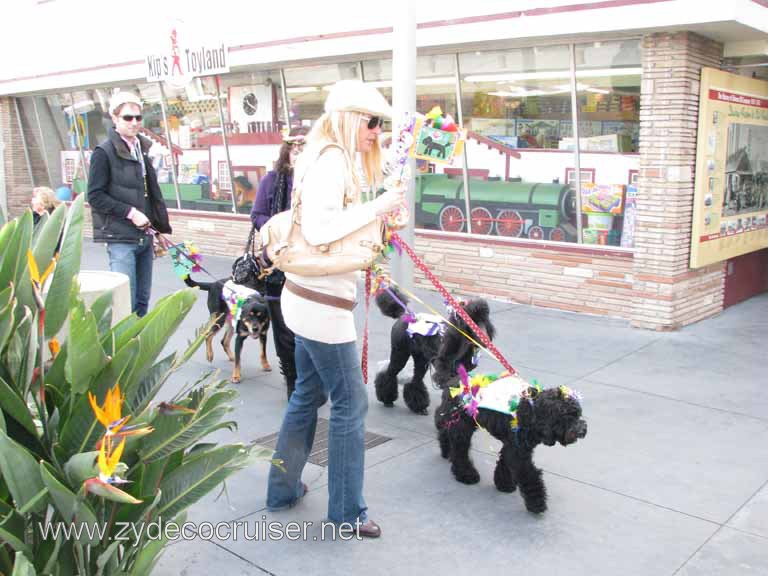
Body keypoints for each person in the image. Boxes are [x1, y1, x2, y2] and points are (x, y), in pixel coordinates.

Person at [266, 80, 406, 538]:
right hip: (323, 304)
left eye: (380, 123)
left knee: (308, 393)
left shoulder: (324, 155)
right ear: (348, 118)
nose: (376, 131)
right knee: (350, 403)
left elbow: (331, 227)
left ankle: (282, 489)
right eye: (371, 122)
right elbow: (325, 230)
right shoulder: (330, 160)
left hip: (304, 296)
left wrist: (378, 212)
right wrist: (379, 207)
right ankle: (347, 513)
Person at [87, 91, 171, 317]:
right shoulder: (103, 152)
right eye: (127, 117)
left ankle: (140, 349)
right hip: (121, 237)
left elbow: (150, 194)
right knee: (125, 303)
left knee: (142, 302)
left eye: (138, 117)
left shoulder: (141, 149)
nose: (134, 122)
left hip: (144, 236)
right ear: (114, 119)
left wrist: (159, 229)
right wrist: (131, 213)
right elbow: (94, 196)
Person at [250, 129, 307, 399]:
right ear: (285, 151)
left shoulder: (317, 183)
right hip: (277, 263)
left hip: (307, 264)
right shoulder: (271, 181)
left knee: (307, 326)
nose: (298, 153)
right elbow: (258, 215)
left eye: (304, 148)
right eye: (294, 148)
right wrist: (277, 230)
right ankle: (292, 380)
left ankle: (309, 378)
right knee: (283, 327)